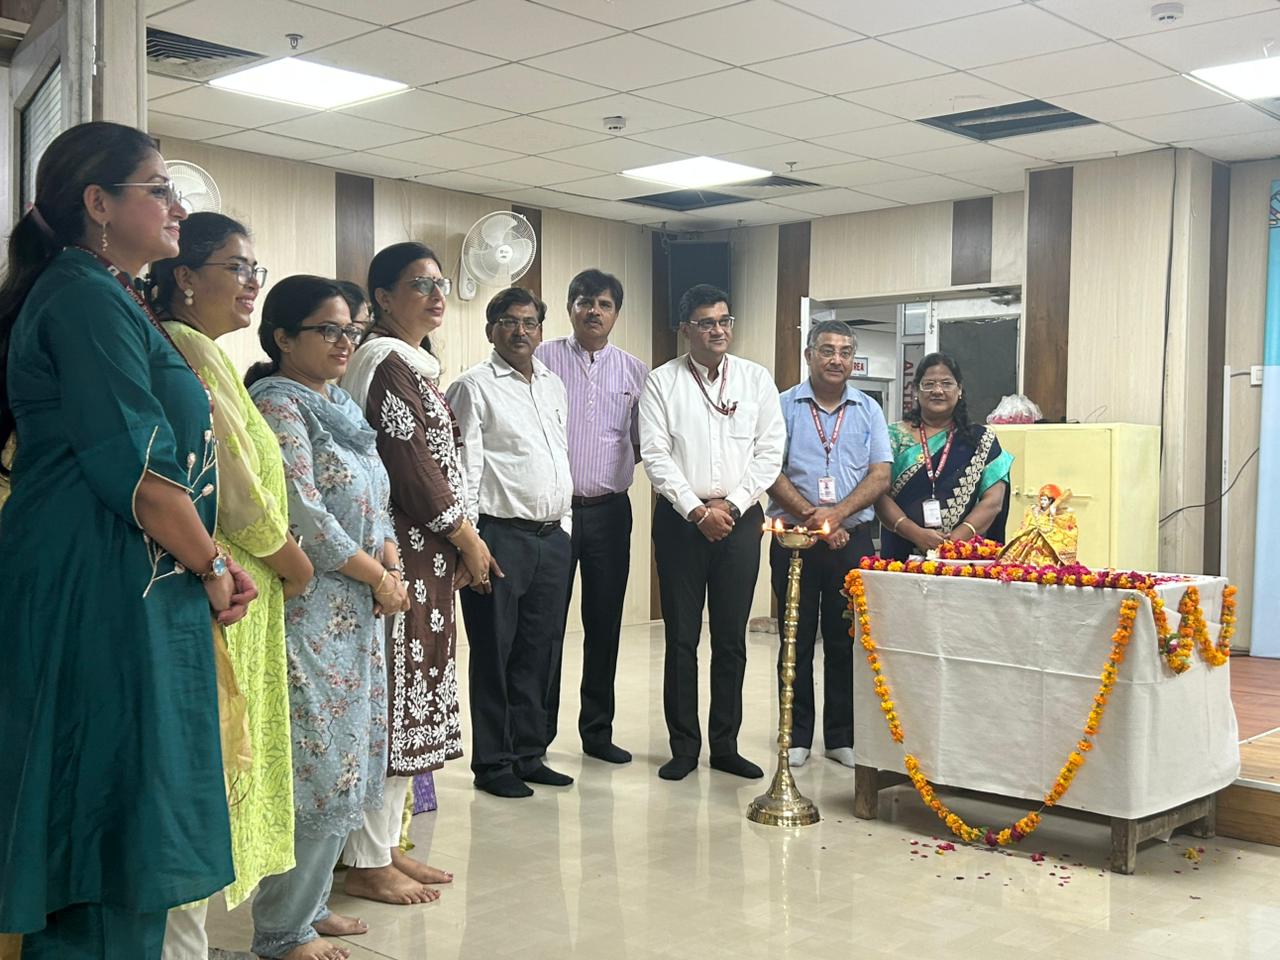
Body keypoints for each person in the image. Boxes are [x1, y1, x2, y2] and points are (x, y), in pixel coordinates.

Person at [0, 121, 255, 959]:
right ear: (99, 203)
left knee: (128, 819)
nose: (178, 206)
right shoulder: (82, 297)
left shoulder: (107, 293)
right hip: (100, 585)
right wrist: (213, 564)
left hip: (131, 580)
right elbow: (139, 469)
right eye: (159, 188)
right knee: (110, 825)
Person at [151, 213, 314, 959]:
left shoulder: (205, 348)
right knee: (207, 771)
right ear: (185, 276)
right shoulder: (183, 346)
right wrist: (290, 558)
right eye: (237, 267)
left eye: (256, 270)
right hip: (225, 581)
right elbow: (233, 482)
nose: (252, 284)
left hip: (241, 584)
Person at [247, 276, 409, 960]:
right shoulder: (279, 404)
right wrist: (379, 576)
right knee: (317, 763)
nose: (345, 342)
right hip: (312, 612)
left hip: (359, 611)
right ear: (284, 337)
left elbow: (375, 495)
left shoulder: (340, 404)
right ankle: (282, 930)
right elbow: (305, 515)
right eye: (328, 330)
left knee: (350, 756)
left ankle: (310, 906)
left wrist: (391, 560)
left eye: (352, 331)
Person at [340, 241, 497, 898]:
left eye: (440, 285)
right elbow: (411, 467)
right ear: (382, 297)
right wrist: (466, 538)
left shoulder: (413, 362)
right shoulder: (385, 361)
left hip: (425, 558)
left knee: (410, 706)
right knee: (393, 706)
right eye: (419, 285)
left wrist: (456, 541)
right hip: (399, 558)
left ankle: (381, 848)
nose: (436, 296)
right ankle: (366, 859)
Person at [639, 283, 785, 782]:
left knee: (730, 639)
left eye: (725, 321)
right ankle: (683, 747)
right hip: (681, 523)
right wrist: (697, 510)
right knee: (681, 638)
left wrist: (733, 504)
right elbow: (655, 455)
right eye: (706, 323)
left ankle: (725, 745)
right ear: (686, 329)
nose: (718, 330)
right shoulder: (662, 382)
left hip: (740, 522)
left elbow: (770, 452)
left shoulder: (756, 379)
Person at [446, 286, 574, 799]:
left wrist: (564, 523)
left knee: (539, 651)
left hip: (552, 538)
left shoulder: (552, 384)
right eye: (509, 321)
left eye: (530, 322)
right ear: (490, 330)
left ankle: (529, 753)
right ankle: (494, 763)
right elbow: (464, 467)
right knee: (494, 652)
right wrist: (470, 543)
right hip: (498, 538)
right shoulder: (472, 387)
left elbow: (558, 454)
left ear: (541, 330)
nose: (520, 331)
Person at [766, 320, 890, 769]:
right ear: (809, 355)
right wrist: (814, 519)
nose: (837, 359)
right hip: (794, 540)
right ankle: (796, 734)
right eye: (827, 350)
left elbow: (880, 474)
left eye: (845, 352)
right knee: (795, 638)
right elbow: (769, 469)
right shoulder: (782, 406)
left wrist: (835, 516)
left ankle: (841, 735)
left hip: (850, 542)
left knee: (844, 640)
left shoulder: (869, 409)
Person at [536, 268, 648, 765]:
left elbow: (643, 443)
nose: (593, 311)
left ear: (616, 313)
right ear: (569, 308)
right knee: (547, 626)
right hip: (553, 515)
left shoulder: (635, 372)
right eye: (584, 301)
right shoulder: (541, 359)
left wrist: (606, 469)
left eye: (604, 304)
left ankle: (597, 732)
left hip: (609, 512)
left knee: (604, 625)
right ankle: (536, 736)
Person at [875, 352, 1012, 561]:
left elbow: (993, 500)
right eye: (929, 384)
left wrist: (955, 541)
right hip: (900, 550)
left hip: (961, 556)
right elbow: (877, 493)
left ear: (960, 390)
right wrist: (915, 533)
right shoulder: (892, 436)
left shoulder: (982, 440)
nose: (937, 391)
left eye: (946, 384)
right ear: (916, 390)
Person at [1000, 483, 1078, 565]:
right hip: (1030, 539)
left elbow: (1062, 526)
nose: (1042, 502)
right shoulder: (1034, 510)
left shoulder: (1057, 512)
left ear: (1051, 500)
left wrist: (1053, 510)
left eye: (1045, 500)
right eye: (1041, 500)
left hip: (1046, 543)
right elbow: (1027, 523)